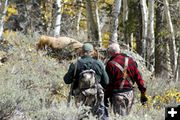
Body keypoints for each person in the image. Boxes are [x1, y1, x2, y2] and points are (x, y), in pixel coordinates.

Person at [64, 43, 109, 120]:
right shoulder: (99, 64)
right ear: (92, 52)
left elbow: (67, 80)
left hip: (79, 96)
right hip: (95, 96)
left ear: (82, 51)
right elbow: (106, 82)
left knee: (81, 116)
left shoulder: (75, 64)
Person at [105, 43, 148, 116]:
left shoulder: (110, 64)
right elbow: (138, 78)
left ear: (111, 52)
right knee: (127, 116)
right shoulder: (131, 61)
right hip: (130, 94)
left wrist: (106, 96)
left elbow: (109, 83)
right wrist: (143, 93)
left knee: (120, 117)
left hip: (118, 95)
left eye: (109, 53)